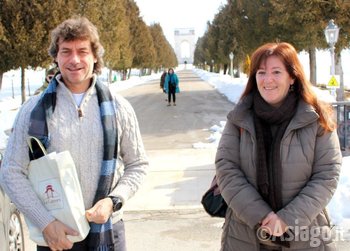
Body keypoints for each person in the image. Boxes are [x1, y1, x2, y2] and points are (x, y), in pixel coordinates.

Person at [0, 16, 148, 251]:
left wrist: (114, 200)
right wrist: (46, 223)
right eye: (66, 51)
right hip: (57, 237)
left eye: (82, 51)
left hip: (108, 231)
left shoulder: (119, 108)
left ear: (95, 56)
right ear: (56, 56)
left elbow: (138, 164)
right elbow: (11, 172)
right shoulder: (33, 110)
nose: (74, 59)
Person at [215, 42, 342, 250]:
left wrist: (286, 219)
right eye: (261, 72)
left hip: (305, 234)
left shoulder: (315, 118)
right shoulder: (239, 118)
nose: (268, 80)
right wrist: (262, 216)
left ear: (292, 77)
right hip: (245, 235)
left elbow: (327, 174)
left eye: (276, 72)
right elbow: (226, 169)